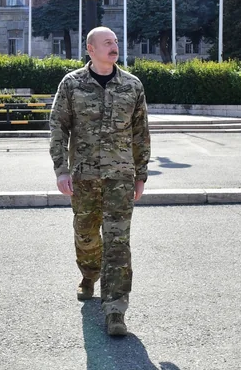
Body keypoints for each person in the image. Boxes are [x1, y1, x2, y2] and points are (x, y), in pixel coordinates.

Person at [49, 26, 151, 337]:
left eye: (116, 41)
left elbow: (140, 133)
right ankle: (89, 274)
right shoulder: (72, 83)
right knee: (86, 235)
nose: (114, 46)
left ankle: (115, 310)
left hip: (120, 178)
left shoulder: (132, 86)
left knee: (118, 242)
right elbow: (58, 127)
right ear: (90, 49)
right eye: (107, 42)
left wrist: (141, 173)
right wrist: (61, 170)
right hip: (84, 177)